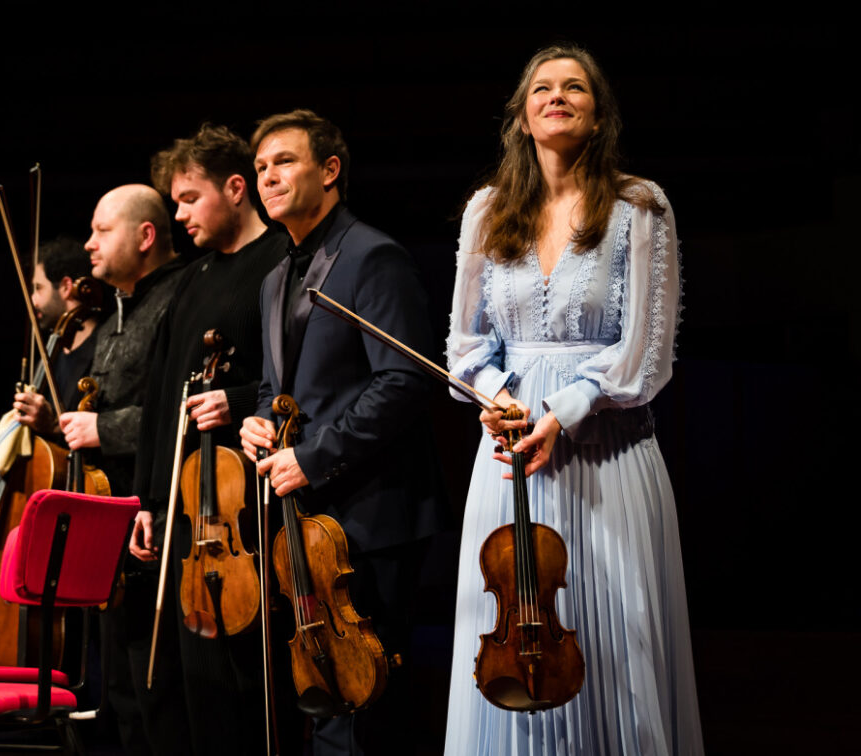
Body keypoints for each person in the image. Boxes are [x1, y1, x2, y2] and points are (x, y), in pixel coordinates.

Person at [443, 45, 703, 754]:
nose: (557, 97)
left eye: (575, 88)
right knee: (513, 636)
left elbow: (645, 354)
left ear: (597, 114)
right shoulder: (486, 211)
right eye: (542, 89)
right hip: (510, 457)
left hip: (607, 455)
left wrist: (566, 411)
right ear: (523, 118)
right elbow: (466, 349)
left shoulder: (640, 206)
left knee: (621, 640)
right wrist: (498, 397)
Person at [239, 109, 446, 755]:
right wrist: (261, 425)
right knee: (324, 700)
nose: (268, 176)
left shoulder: (371, 255)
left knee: (369, 707)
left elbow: (405, 382)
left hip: (373, 512)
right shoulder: (276, 274)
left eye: (284, 161)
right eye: (261, 166)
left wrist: (313, 456)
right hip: (308, 519)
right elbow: (289, 392)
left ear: (330, 171)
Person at [129, 123, 288, 755]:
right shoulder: (189, 281)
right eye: (174, 201)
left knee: (237, 693)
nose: (178, 214)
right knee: (177, 695)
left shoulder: (279, 262)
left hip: (240, 513)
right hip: (181, 514)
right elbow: (159, 401)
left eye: (190, 198)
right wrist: (144, 501)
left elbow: (290, 383)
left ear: (236, 188)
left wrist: (241, 398)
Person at [65, 184, 187, 755]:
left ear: (144, 236)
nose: (89, 245)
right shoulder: (114, 309)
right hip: (104, 518)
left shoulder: (177, 299)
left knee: (148, 687)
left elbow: (178, 412)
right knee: (113, 682)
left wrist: (103, 429)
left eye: (101, 231)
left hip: (153, 515)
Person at [14, 236, 104, 429]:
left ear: (65, 287)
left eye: (38, 288)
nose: (33, 300)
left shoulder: (103, 350)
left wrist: (52, 425)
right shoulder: (52, 353)